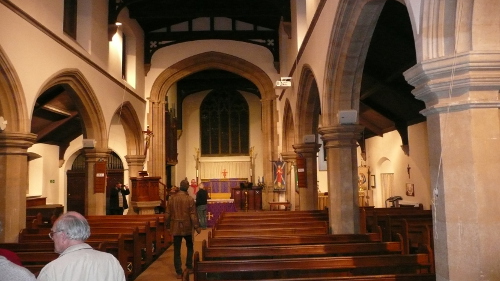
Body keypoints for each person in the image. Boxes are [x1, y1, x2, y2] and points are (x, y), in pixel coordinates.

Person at [36, 211, 125, 281]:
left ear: (63, 236)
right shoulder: (111, 261)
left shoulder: (52, 269)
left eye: (53, 233)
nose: (52, 238)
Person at [165, 179, 201, 279]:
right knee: (190, 247)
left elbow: (167, 213)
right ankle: (189, 267)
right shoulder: (189, 199)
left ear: (180, 186)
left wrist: (167, 225)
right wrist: (197, 227)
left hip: (176, 226)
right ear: (187, 187)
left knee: (176, 250)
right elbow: (193, 215)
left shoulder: (172, 198)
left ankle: (179, 272)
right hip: (187, 226)